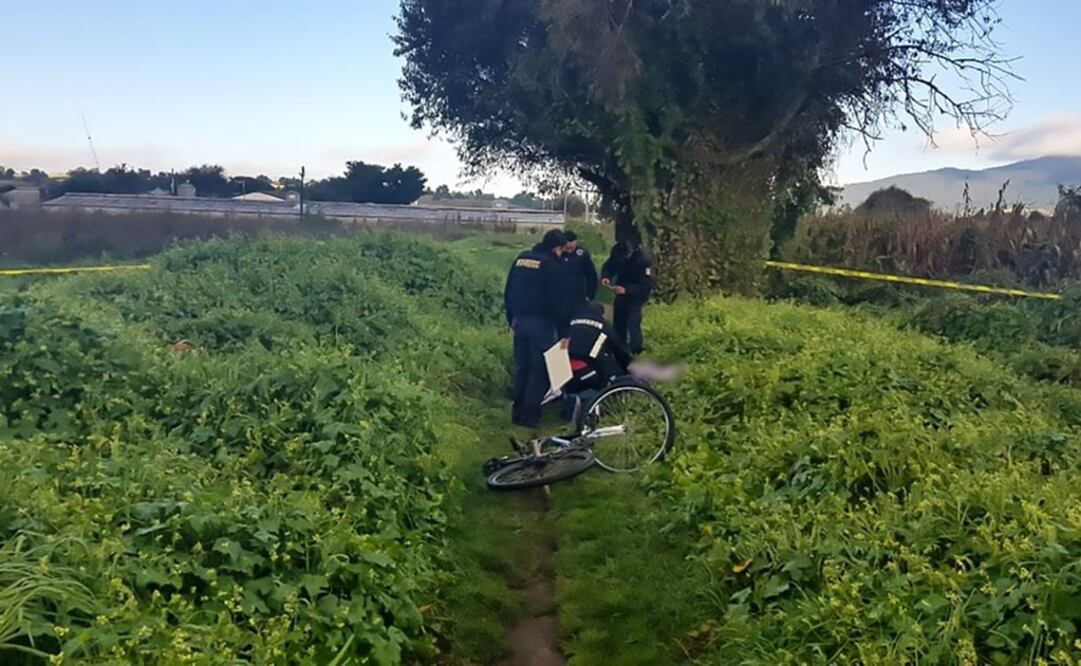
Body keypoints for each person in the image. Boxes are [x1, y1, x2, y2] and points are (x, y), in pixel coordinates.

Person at [504, 229, 569, 429]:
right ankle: (530, 416)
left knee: (522, 367)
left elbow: (509, 291)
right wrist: (564, 332)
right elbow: (558, 302)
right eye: (562, 250)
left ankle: (517, 411)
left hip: (519, 321)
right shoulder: (551, 265)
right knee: (539, 371)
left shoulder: (521, 259)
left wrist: (511, 320)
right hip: (542, 324)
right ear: (556, 248)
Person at [601, 240, 654, 355]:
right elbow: (609, 266)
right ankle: (620, 349)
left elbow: (646, 286)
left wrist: (627, 290)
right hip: (620, 294)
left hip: (635, 296)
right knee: (619, 322)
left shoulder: (643, 262)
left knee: (633, 323)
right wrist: (606, 277)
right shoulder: (618, 256)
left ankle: (637, 350)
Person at [561, 231, 599, 305]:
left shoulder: (582, 255)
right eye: (567, 246)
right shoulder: (558, 253)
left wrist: (589, 295)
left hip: (578, 295)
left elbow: (591, 276)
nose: (569, 247)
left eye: (571, 243)